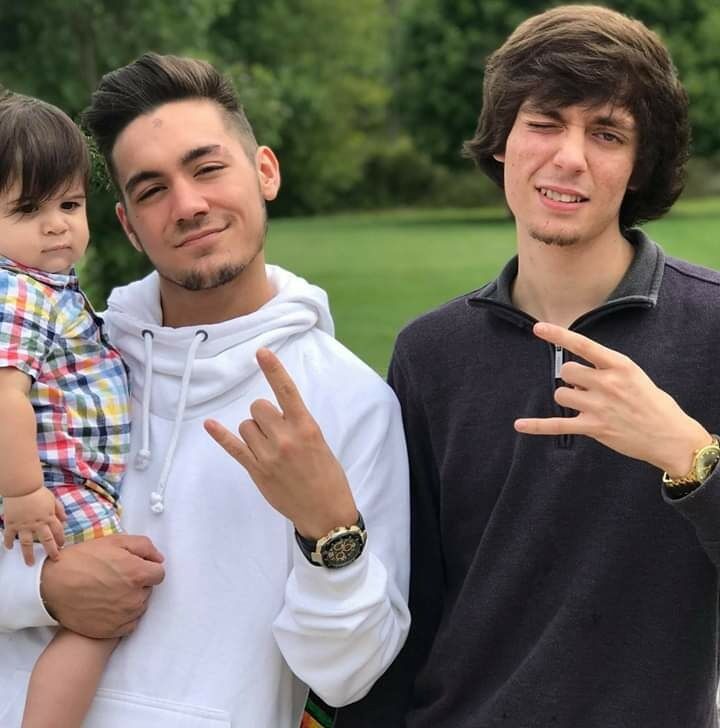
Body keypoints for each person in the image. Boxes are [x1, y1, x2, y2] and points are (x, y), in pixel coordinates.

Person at [336, 5, 720, 727]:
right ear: (503, 143)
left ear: (640, 164)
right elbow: (406, 606)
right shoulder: (430, 353)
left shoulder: (712, 328)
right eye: (545, 122)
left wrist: (690, 455)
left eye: (607, 133)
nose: (569, 157)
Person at [0, 53, 410, 727]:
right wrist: (39, 588)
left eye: (208, 168)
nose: (188, 205)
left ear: (265, 172)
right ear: (128, 226)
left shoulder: (349, 402)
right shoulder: (64, 363)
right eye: (152, 190)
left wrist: (329, 528)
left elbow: (349, 676)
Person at [0, 91, 132, 727]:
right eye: (29, 209)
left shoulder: (46, 287)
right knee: (102, 615)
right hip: (55, 491)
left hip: (62, 484)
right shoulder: (19, 292)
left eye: (70, 204)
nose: (57, 224)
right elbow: (4, 397)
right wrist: (24, 494)